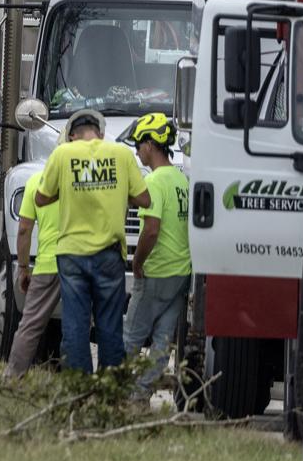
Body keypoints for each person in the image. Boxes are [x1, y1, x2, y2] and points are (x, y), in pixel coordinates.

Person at [33, 107, 147, 374]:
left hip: (71, 254)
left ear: (72, 135)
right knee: (110, 325)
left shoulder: (62, 154)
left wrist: (69, 189)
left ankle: (80, 389)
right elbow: (144, 199)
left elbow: (41, 198)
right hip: (110, 255)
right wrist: (115, 193)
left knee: (75, 324)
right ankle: (109, 390)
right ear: (101, 133)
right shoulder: (120, 153)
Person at [124, 113, 191, 394]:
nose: (137, 152)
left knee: (131, 339)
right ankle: (142, 392)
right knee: (163, 341)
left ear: (150, 145)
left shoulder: (154, 182)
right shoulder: (182, 179)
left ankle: (119, 393)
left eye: (138, 145)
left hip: (156, 271)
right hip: (181, 273)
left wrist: (137, 263)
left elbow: (151, 230)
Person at [4, 162, 64, 379]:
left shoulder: (34, 182)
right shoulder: (82, 182)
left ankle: (12, 378)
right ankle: (76, 382)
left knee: (30, 326)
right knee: (78, 324)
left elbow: (24, 230)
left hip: (47, 263)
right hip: (79, 263)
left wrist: (22, 268)